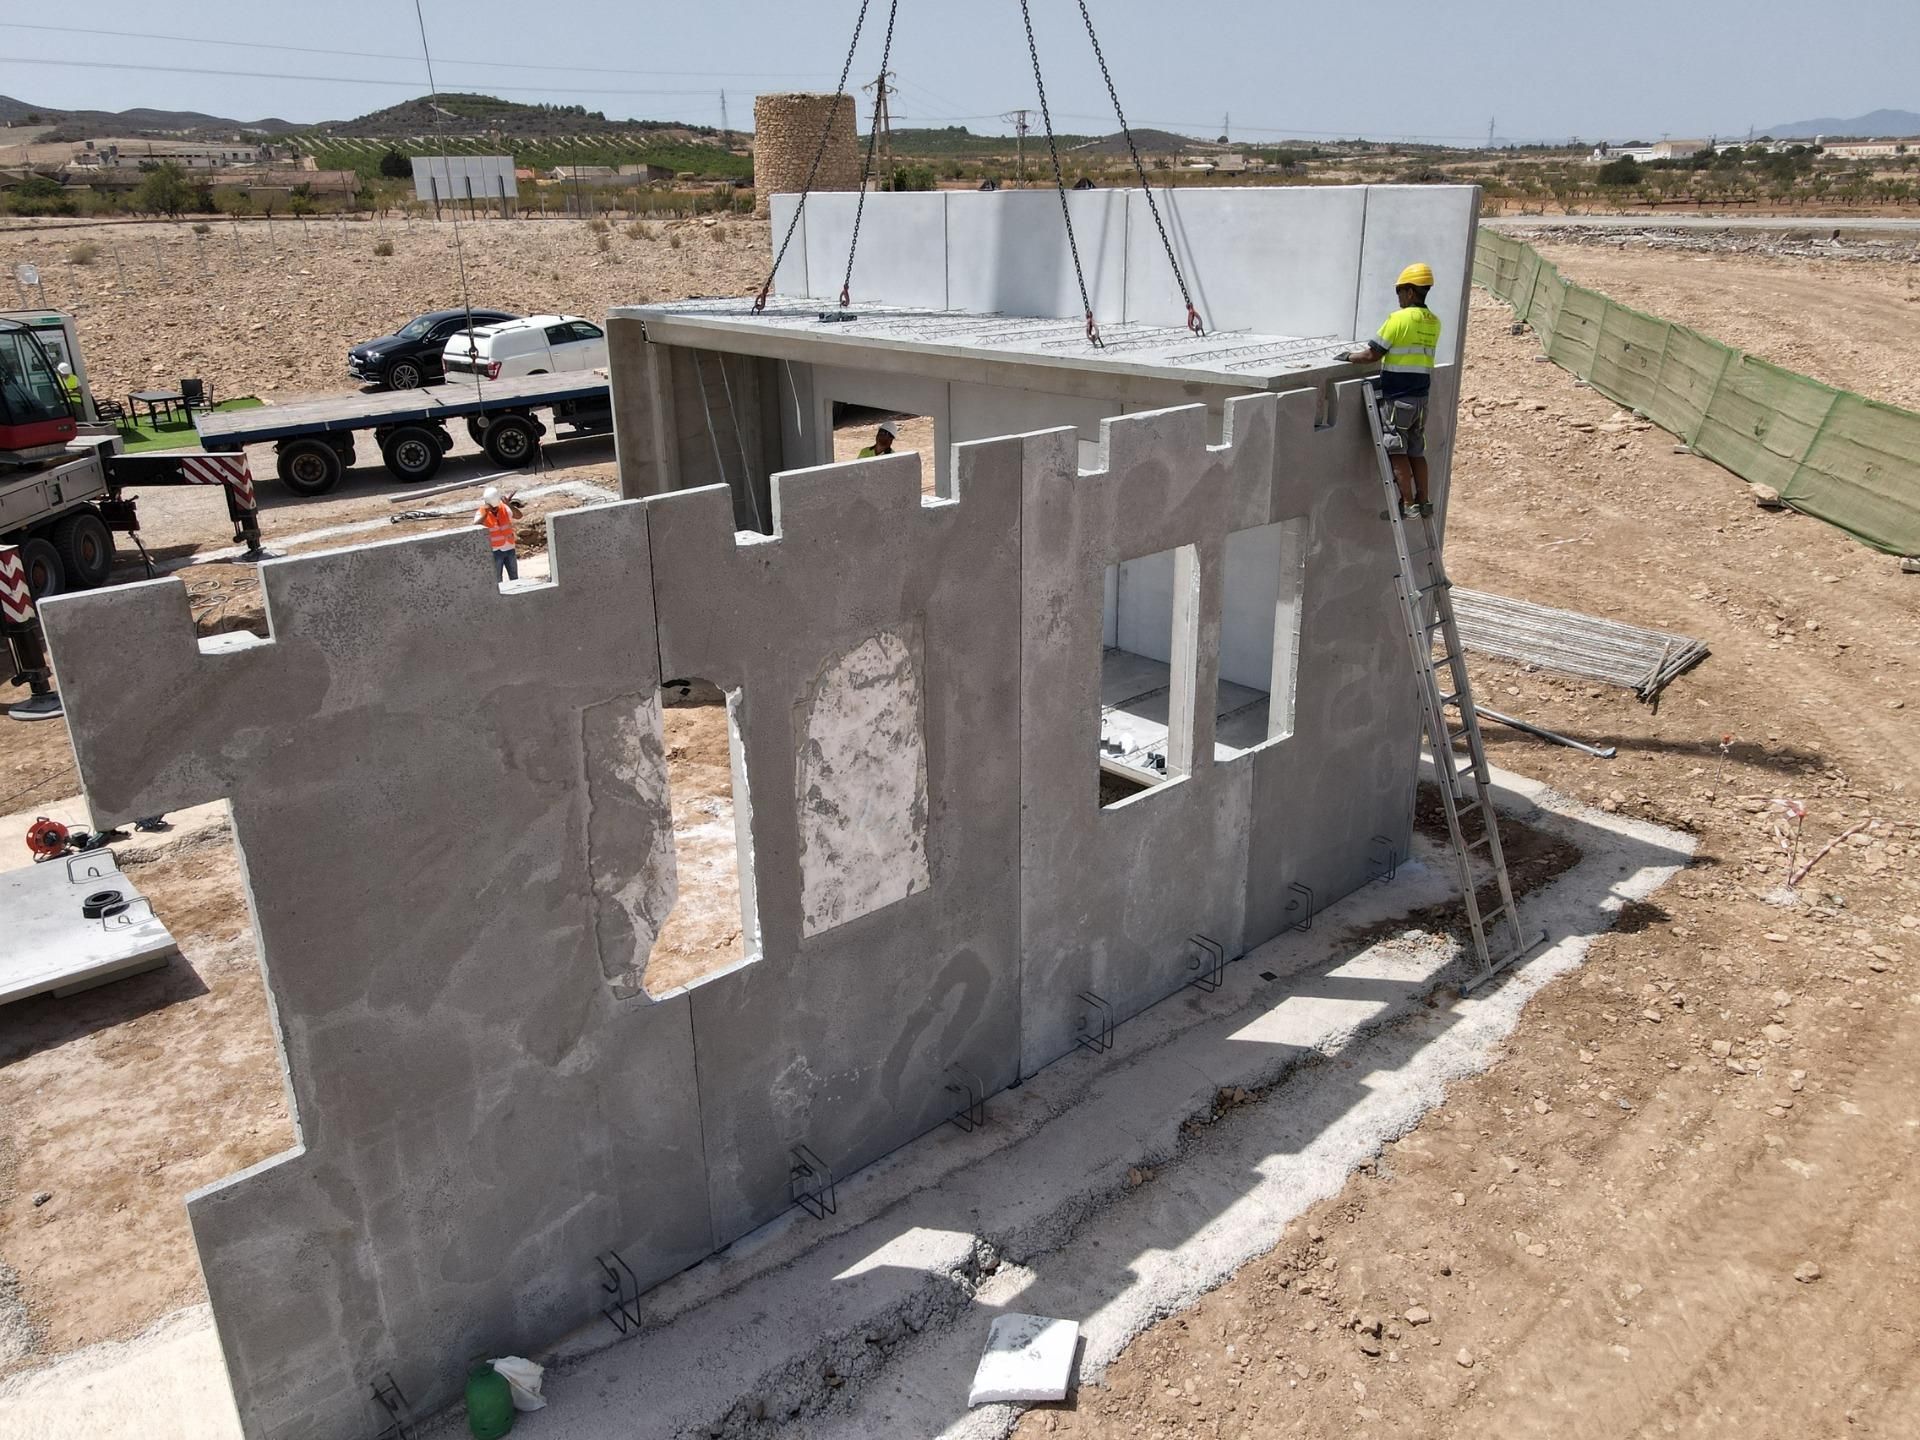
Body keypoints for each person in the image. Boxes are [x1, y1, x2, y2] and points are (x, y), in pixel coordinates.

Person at [1347, 262, 1441, 517]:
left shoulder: (1398, 319)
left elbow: (1371, 355)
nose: (1398, 297)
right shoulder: (1433, 321)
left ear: (1410, 292)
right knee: (1416, 450)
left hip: (1398, 397)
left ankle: (1407, 504)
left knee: (1396, 448)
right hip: (1421, 397)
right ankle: (1424, 501)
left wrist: (1347, 357)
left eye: (1399, 291)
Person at [474, 485, 520, 581]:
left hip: (510, 547)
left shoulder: (504, 508)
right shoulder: (482, 512)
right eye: (493, 508)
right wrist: (486, 513)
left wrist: (509, 505)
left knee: (514, 577)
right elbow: (476, 525)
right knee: (497, 579)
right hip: (495, 551)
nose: (495, 509)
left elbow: (519, 516)